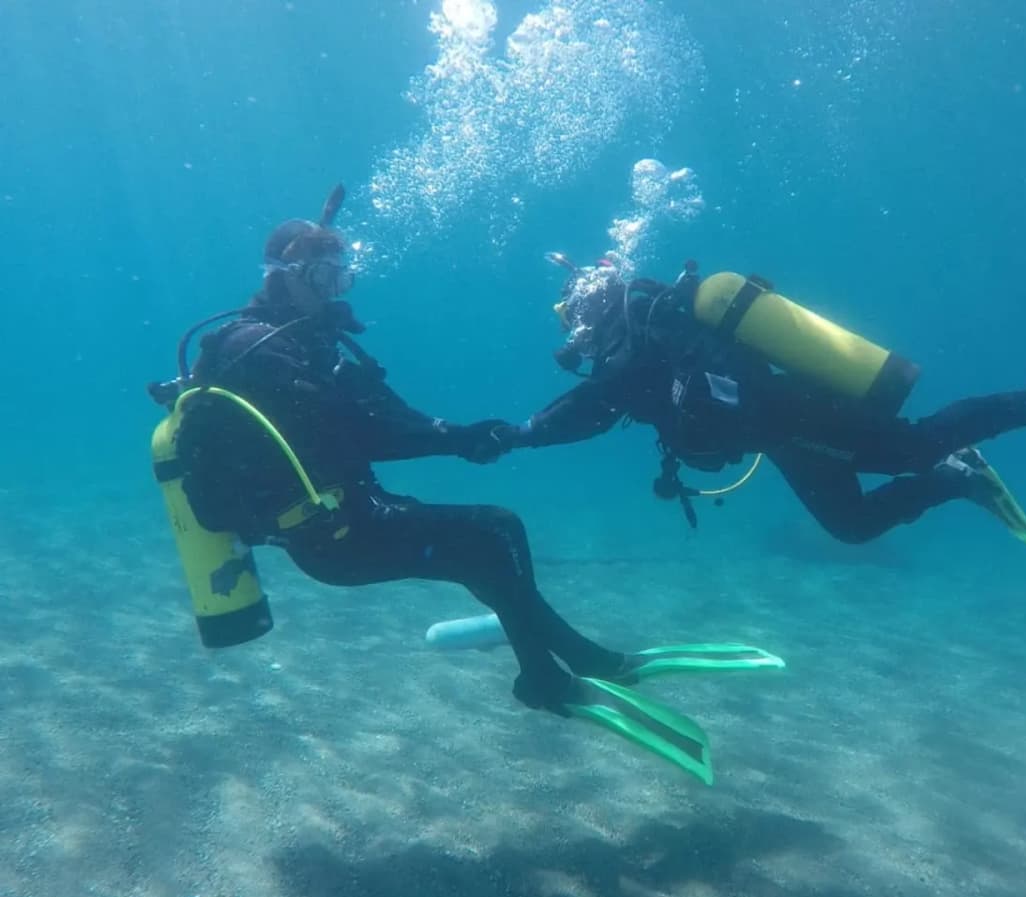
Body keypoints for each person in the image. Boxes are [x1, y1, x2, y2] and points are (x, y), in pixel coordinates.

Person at [146, 187, 785, 786]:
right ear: (286, 274)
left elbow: (375, 423)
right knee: (494, 532)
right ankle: (544, 677)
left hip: (351, 513)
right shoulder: (264, 349)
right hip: (332, 535)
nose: (338, 290)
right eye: (326, 278)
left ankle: (576, 659)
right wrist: (459, 437)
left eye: (343, 277)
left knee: (484, 548)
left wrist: (462, 435)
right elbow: (366, 431)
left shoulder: (292, 343)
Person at [487, 254, 1026, 581]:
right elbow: (594, 405)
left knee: (912, 445)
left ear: (602, 307)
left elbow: (587, 406)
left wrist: (521, 432)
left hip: (793, 414)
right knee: (852, 525)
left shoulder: (651, 338)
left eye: (579, 323)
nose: (579, 339)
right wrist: (527, 430)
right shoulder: (642, 351)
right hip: (781, 434)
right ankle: (958, 480)